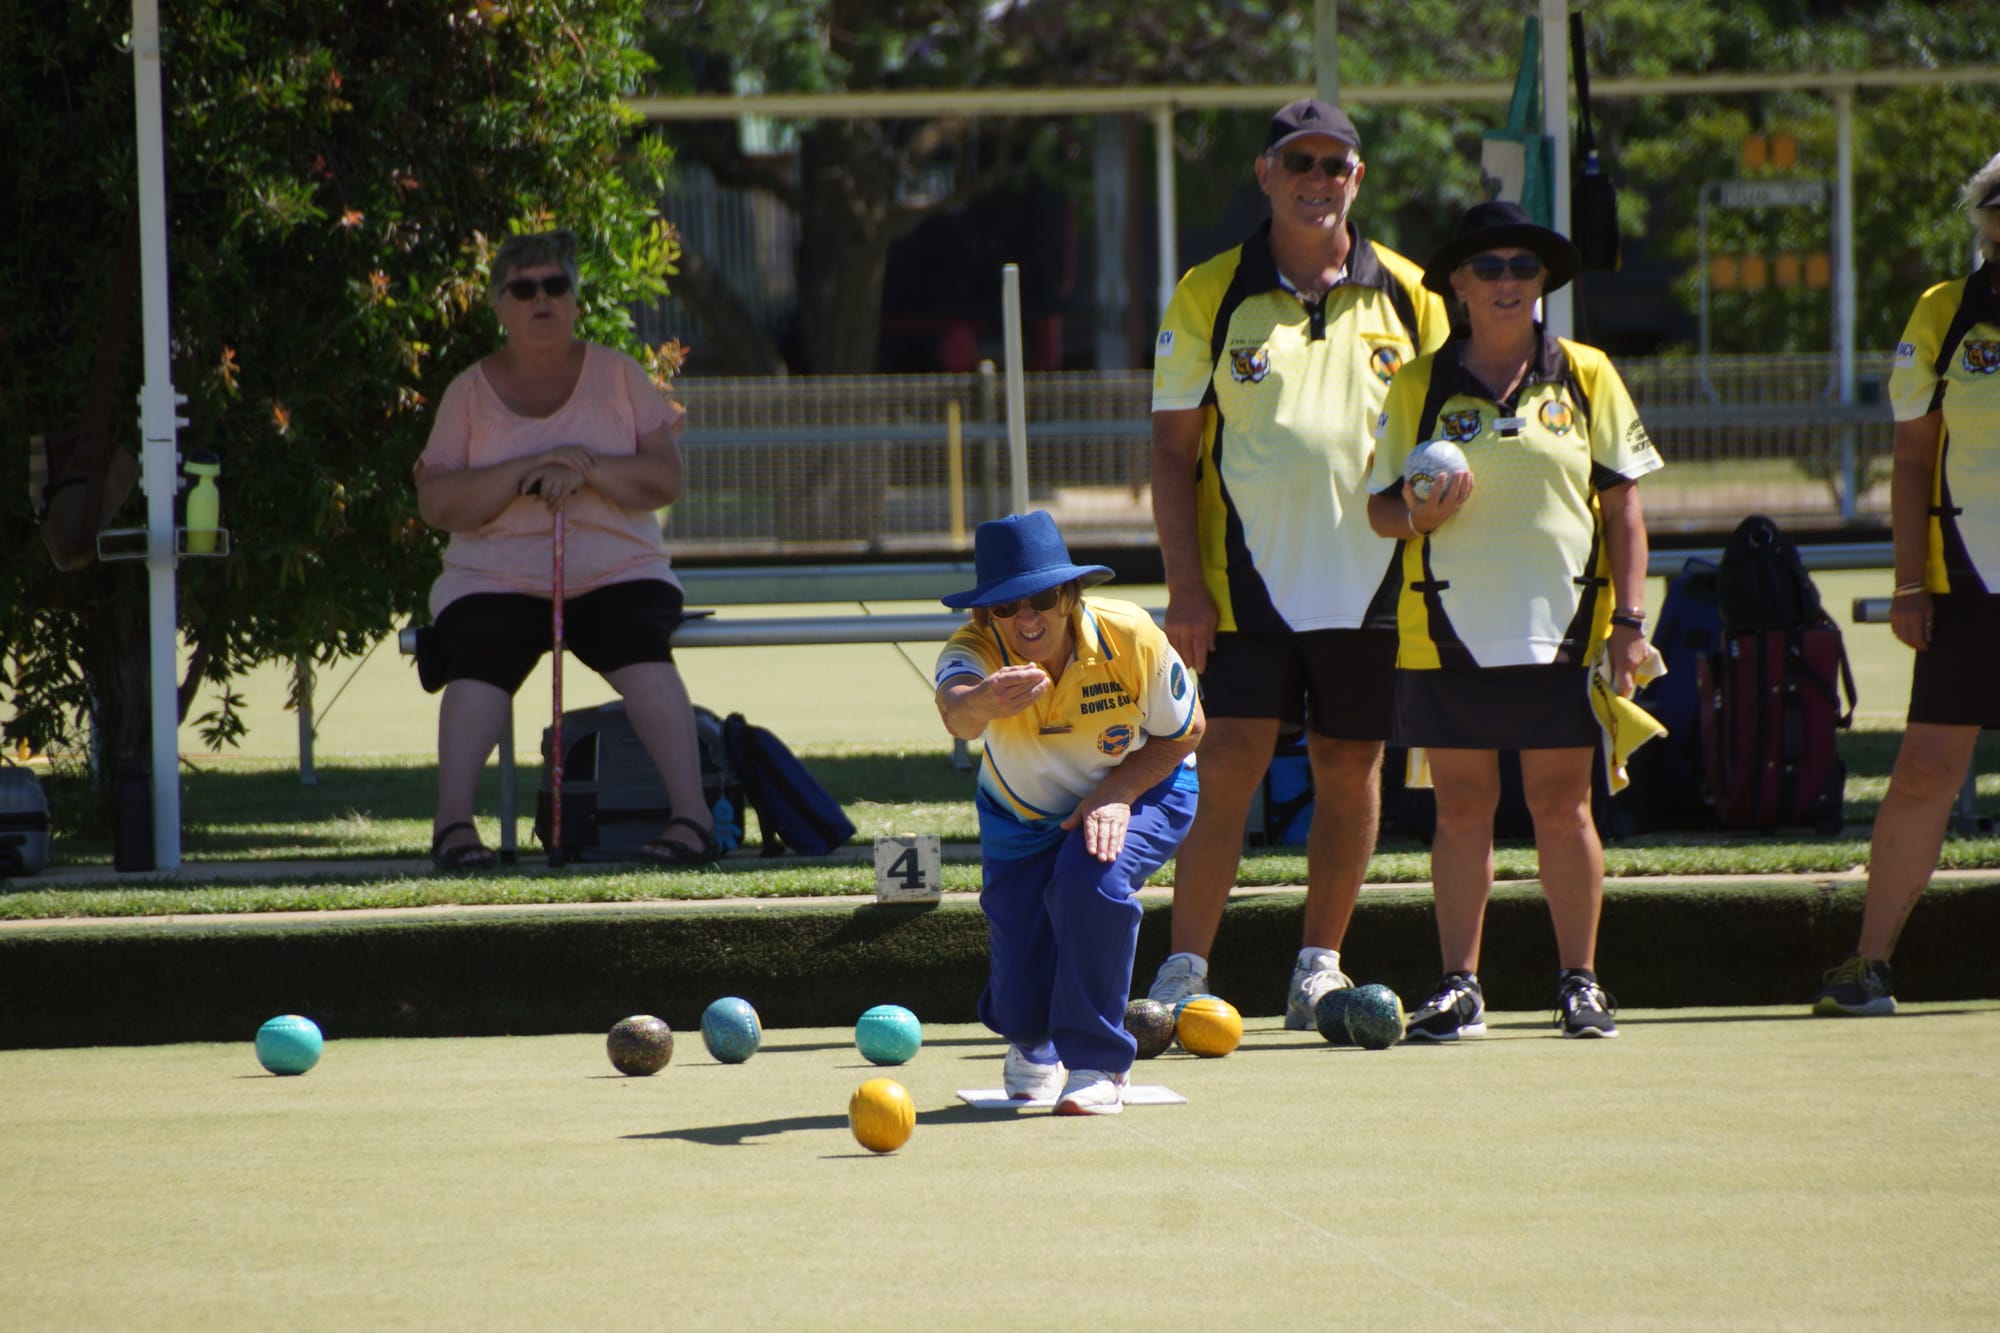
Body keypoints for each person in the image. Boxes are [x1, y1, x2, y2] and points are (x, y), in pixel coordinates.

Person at [1147, 98, 1450, 1026]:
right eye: (1300, 162)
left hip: (1374, 582)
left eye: (1336, 165)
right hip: (1243, 583)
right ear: (1266, 173)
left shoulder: (1411, 292)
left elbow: (1447, 437)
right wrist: (1186, 588)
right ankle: (1183, 970)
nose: (1318, 180)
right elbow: (1170, 450)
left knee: (1350, 763)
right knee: (1226, 761)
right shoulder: (1211, 290)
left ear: (1358, 178)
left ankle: (1317, 967)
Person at [1365, 200, 1662, 1040]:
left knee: (1564, 805)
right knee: (1462, 808)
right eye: (1487, 268)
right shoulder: (1418, 382)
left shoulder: (1588, 373)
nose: (1505, 283)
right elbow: (1381, 510)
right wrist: (1419, 516)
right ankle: (1461, 985)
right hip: (1445, 628)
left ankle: (1581, 982)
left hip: (1563, 626)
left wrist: (1631, 621)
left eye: (1522, 268)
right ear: (1456, 283)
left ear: (1543, 283)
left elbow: (1625, 508)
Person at [413, 229, 715, 871]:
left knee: (639, 644)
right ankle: (453, 829)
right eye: (523, 289)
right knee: (478, 655)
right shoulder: (467, 393)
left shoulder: (621, 376)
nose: (541, 299)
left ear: (576, 300)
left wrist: (586, 469)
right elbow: (438, 501)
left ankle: (692, 820)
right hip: (493, 578)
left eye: (556, 286)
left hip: (617, 571)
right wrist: (529, 467)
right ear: (499, 305)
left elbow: (663, 481)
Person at [934, 511, 1204, 1115]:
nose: (1026, 617)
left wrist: (1116, 793)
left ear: (1070, 594)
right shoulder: (973, 650)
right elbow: (956, 712)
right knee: (1020, 1002)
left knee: (1090, 879)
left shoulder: (1131, 634)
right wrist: (982, 699)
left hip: (1145, 787)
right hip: (1020, 818)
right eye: (1006, 606)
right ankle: (1034, 1041)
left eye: (1043, 597)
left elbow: (1186, 733)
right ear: (986, 614)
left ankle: (1099, 1063)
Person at [1814, 154, 2000, 1017]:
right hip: (1962, 580)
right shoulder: (1944, 311)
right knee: (1927, 766)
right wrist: (1906, 583)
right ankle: (1869, 962)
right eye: (1996, 211)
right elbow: (1915, 456)